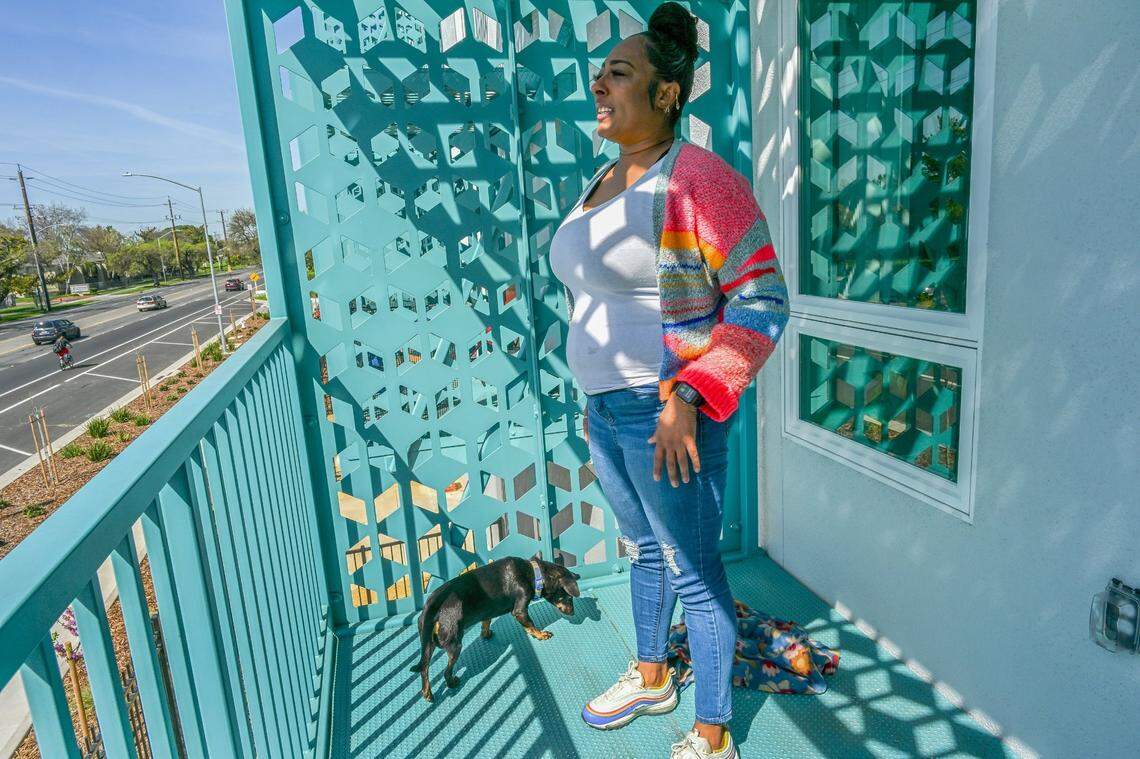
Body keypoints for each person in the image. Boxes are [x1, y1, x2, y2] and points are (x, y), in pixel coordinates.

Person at [547, 4, 789, 758]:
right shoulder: (604, 179)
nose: (600, 85)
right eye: (600, 74)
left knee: (692, 565)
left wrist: (689, 393)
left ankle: (713, 732)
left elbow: (763, 296)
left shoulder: (698, 180)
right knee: (643, 550)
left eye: (619, 73)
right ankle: (653, 675)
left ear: (666, 95)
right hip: (605, 408)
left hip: (664, 414)